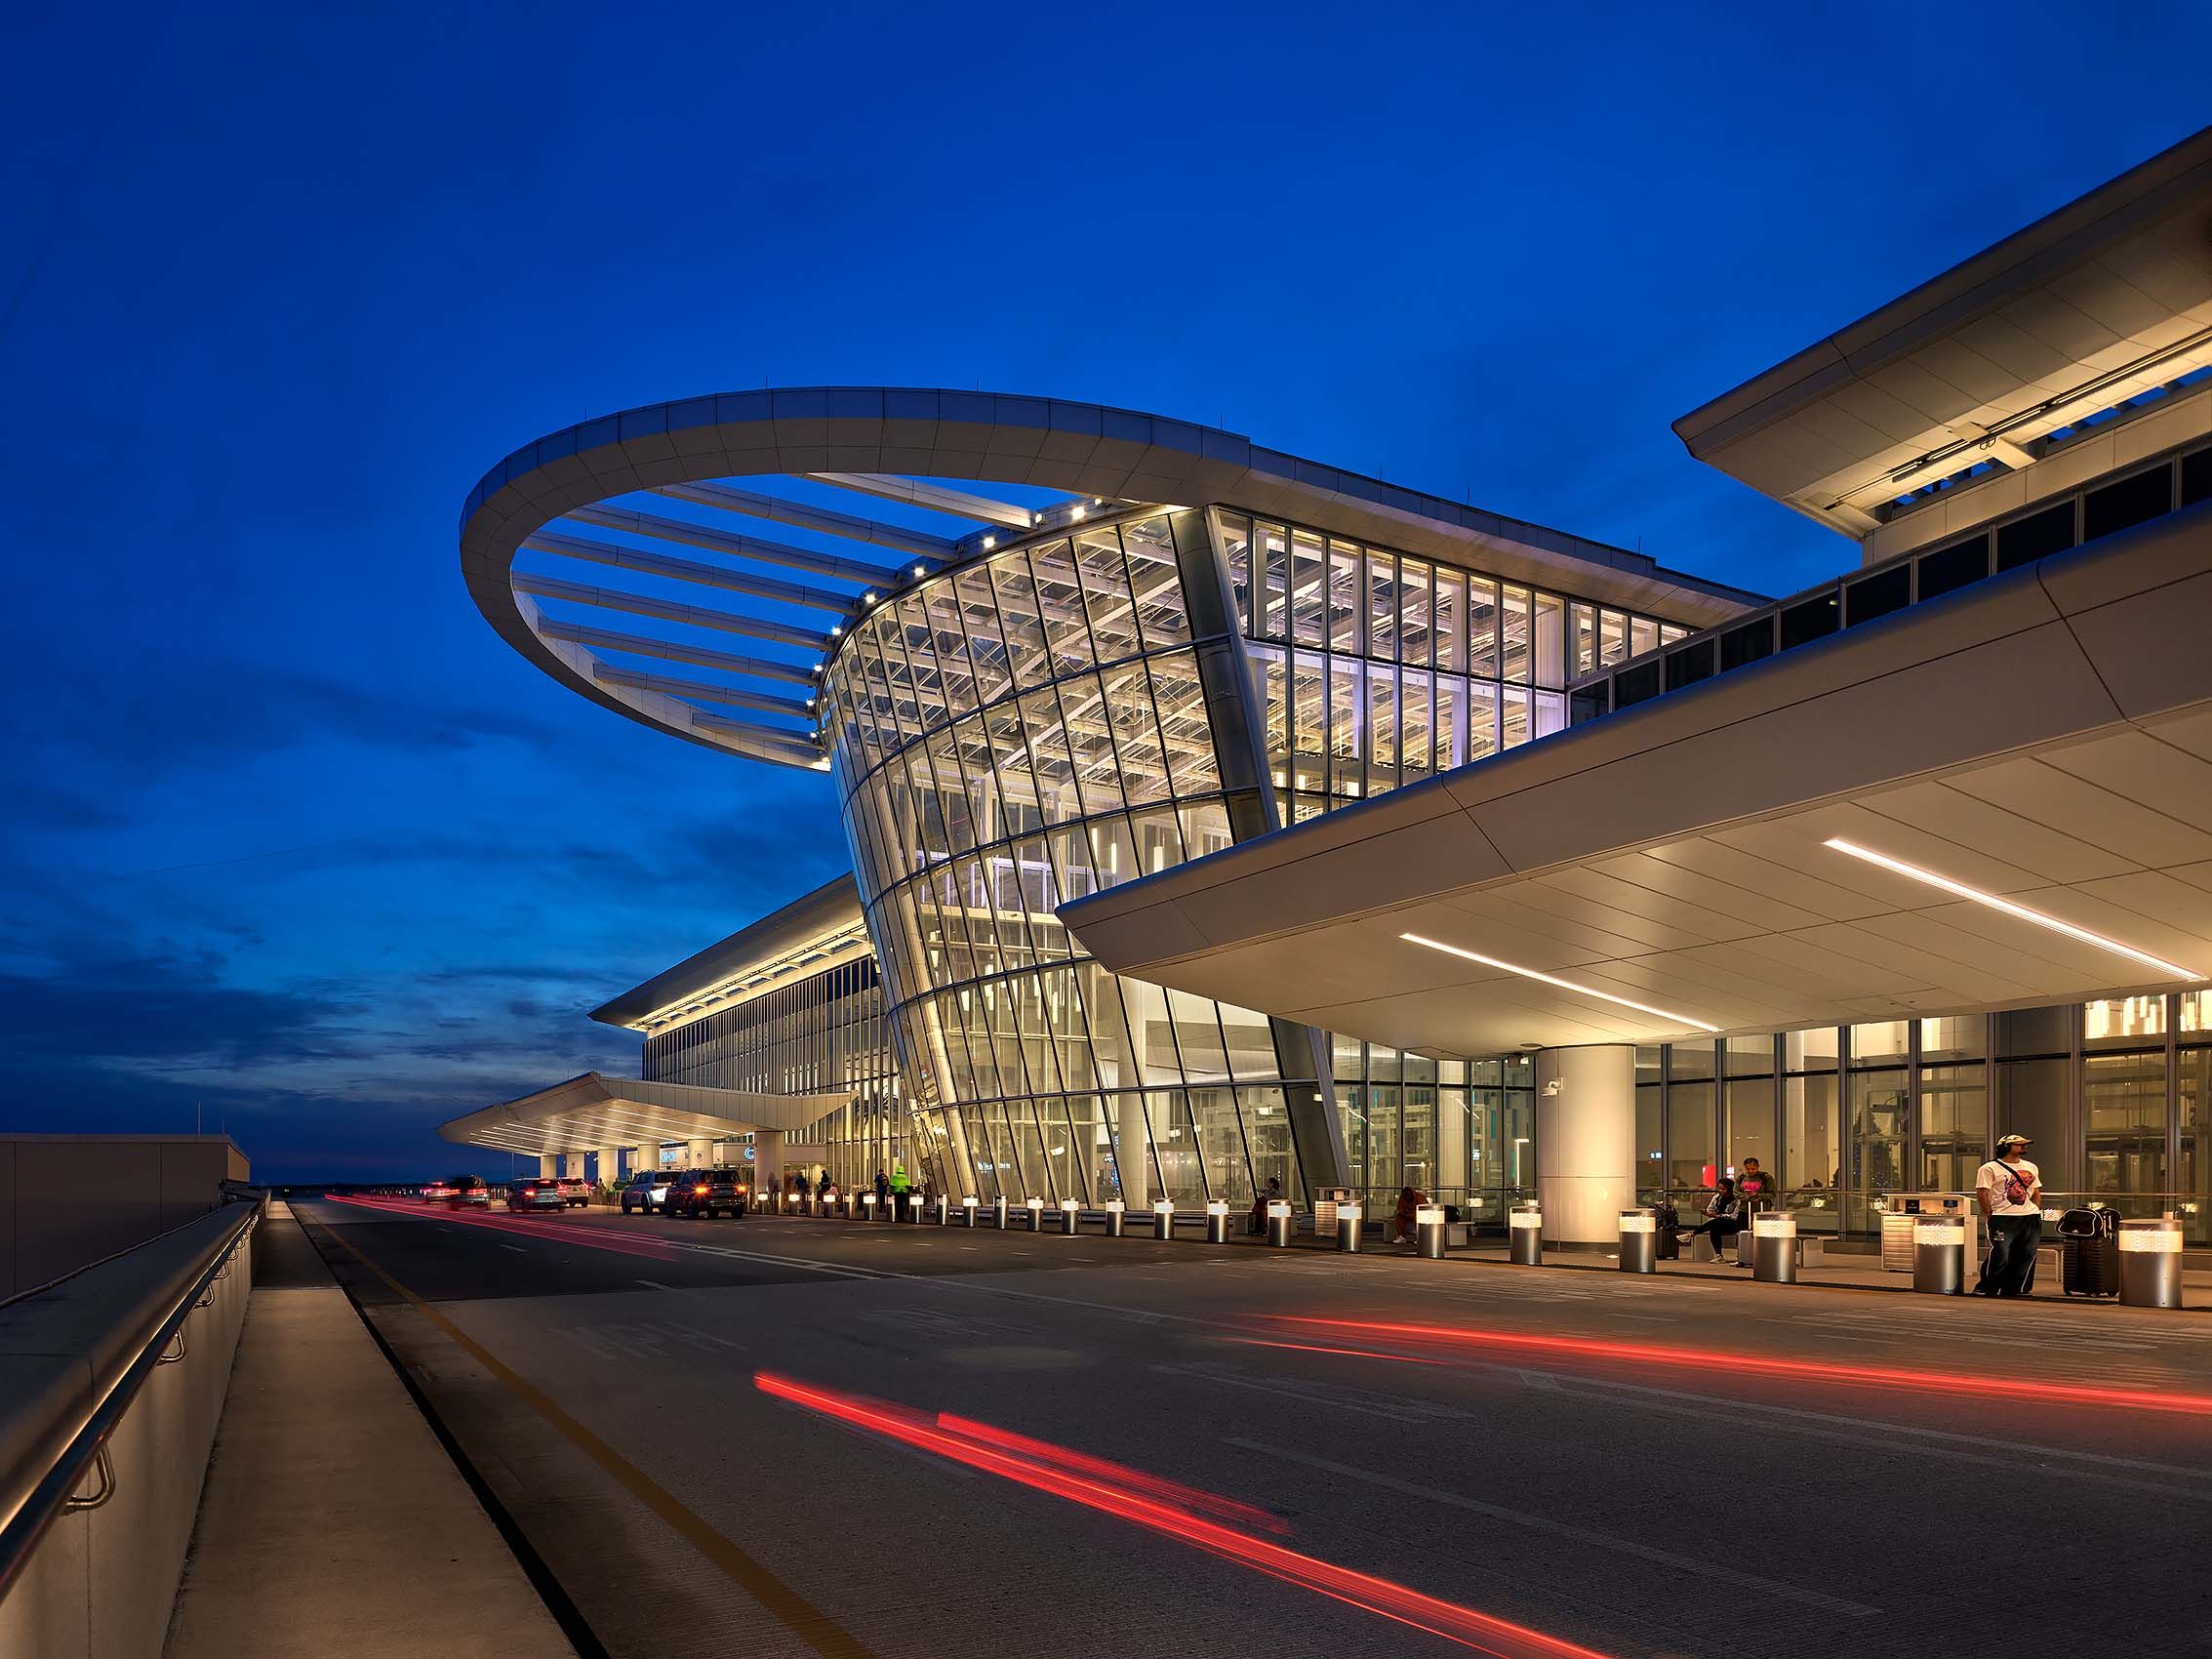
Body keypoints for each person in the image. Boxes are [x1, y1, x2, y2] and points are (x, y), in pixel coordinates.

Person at [1974, 1134, 2043, 1297]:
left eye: (2025, 1144)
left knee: (2026, 1253)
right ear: (2005, 1147)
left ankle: (2015, 1288)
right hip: (2002, 1217)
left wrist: (2034, 1209)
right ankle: (1987, 1286)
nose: (2024, 1147)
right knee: (2001, 1252)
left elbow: (2036, 1192)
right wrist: (1989, 1213)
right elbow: (1982, 1192)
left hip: (2030, 1217)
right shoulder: (1989, 1168)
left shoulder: (2031, 1167)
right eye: (2019, 1144)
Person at [1678, 1178, 1745, 1261]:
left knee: (1716, 1222)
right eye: (1719, 1188)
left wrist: (1718, 1216)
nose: (1721, 1191)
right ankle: (1719, 1255)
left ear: (1729, 1189)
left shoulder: (1736, 1200)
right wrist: (1708, 1213)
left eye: (1723, 1189)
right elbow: (1710, 1210)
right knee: (1714, 1226)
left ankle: (1692, 1234)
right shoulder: (1716, 1198)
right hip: (1718, 1223)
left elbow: (1735, 1216)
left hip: (1733, 1224)